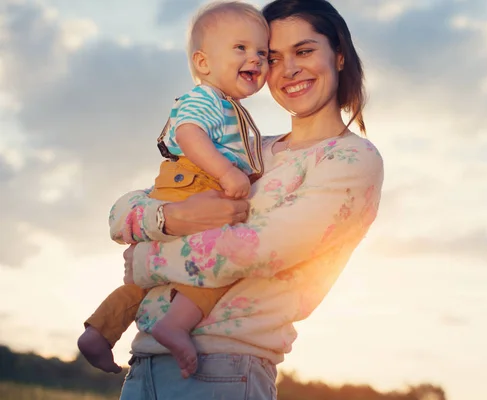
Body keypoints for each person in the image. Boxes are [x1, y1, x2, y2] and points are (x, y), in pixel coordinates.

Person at [112, 0, 384, 398]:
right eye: (272, 57)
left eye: (304, 51)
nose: (288, 69)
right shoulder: (247, 148)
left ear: (339, 55)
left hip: (225, 369)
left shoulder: (351, 158)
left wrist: (144, 258)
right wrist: (171, 217)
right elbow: (123, 211)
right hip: (145, 361)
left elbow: (256, 250)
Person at [77, 1, 269, 379]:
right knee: (219, 266)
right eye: (241, 48)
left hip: (186, 185)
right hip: (197, 183)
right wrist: (227, 172)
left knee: (147, 279)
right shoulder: (208, 98)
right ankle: (174, 326)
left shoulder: (227, 105)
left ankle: (99, 331)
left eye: (263, 52)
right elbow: (189, 134)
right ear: (203, 63)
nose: (256, 59)